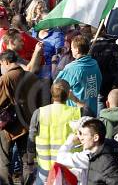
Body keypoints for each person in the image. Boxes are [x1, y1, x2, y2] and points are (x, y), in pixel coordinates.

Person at [28, 81, 82, 184]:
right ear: (68, 94)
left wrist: (30, 163)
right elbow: (91, 113)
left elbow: (31, 141)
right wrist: (75, 99)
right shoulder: (77, 112)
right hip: (68, 168)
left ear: (51, 93)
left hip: (45, 168)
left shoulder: (39, 113)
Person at [0, 49, 41, 184]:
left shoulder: (5, 78)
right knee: (27, 161)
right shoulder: (31, 77)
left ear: (5, 62)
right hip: (28, 124)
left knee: (4, 161)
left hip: (9, 127)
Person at [56, 118, 118, 185]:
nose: (80, 137)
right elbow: (88, 173)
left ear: (96, 137)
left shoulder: (90, 156)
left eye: (82, 133)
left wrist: (70, 141)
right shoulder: (101, 150)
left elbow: (60, 158)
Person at [55, 35, 102, 115]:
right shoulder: (94, 63)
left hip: (76, 114)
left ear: (77, 50)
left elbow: (56, 86)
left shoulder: (72, 68)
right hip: (92, 111)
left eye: (72, 48)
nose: (71, 50)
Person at [90, 29, 118, 113]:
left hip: (94, 88)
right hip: (110, 88)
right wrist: (115, 83)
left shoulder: (88, 48)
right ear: (103, 31)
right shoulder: (113, 47)